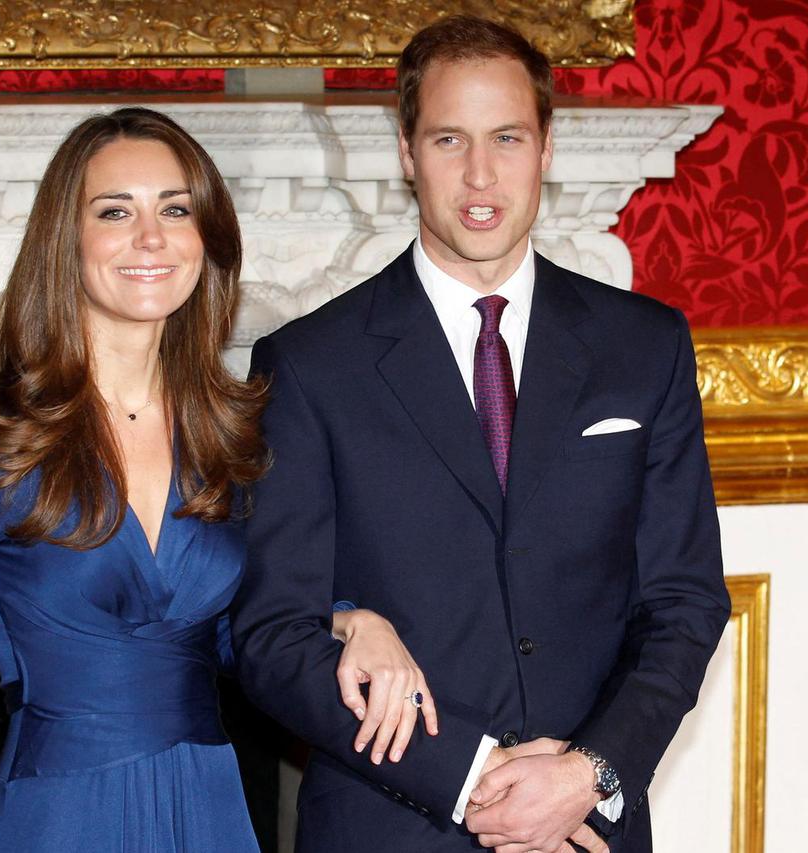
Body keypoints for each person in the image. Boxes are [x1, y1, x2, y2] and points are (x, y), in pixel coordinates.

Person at [231, 16, 731, 853]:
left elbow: (685, 602)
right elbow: (274, 637)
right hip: (387, 826)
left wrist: (588, 773)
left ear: (545, 148)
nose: (479, 174)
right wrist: (473, 776)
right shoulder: (311, 365)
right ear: (406, 152)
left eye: (507, 137)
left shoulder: (645, 346)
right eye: (447, 139)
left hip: (588, 829)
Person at [0, 107, 434, 853]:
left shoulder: (231, 435)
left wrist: (346, 618)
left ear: (203, 239)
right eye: (116, 211)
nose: (151, 237)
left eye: (175, 210)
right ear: (66, 240)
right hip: (59, 817)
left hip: (208, 807)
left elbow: (233, 638)